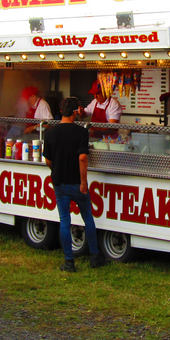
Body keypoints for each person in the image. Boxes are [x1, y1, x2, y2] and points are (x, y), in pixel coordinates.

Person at [42, 97, 106, 272]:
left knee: (64, 221)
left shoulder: (49, 134)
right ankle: (94, 256)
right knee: (88, 219)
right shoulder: (81, 133)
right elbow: (83, 157)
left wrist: (55, 169)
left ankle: (69, 262)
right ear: (75, 111)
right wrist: (84, 182)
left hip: (60, 184)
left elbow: (47, 159)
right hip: (78, 184)